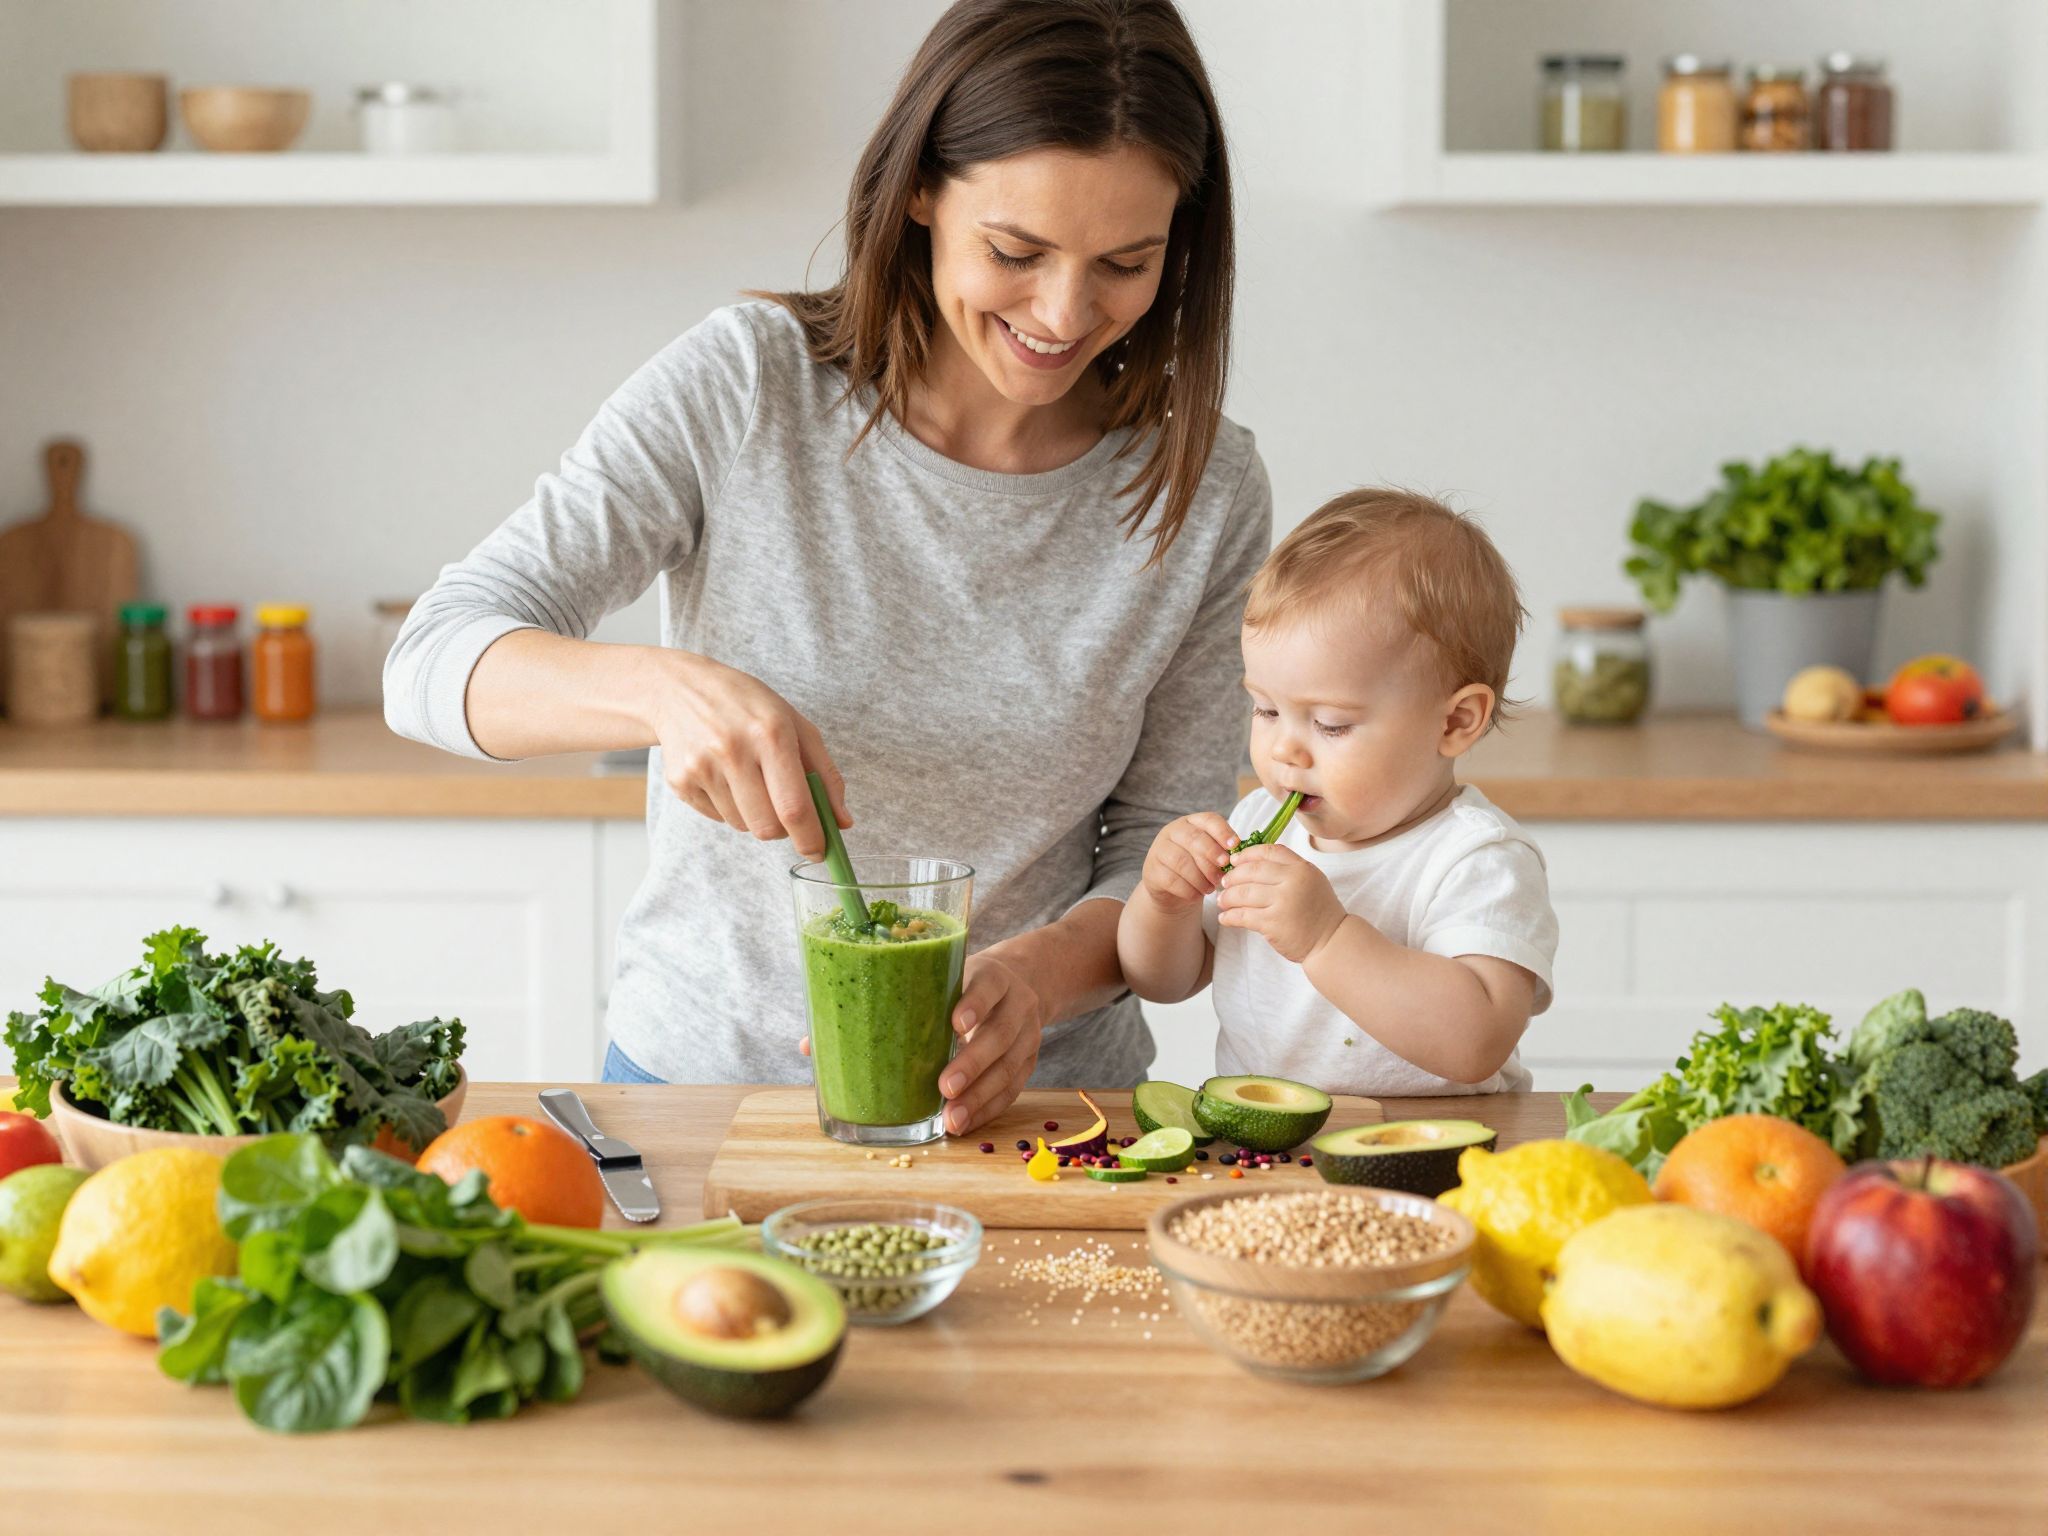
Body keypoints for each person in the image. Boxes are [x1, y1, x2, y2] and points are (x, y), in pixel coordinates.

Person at [383, 0, 1270, 1132]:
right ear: (917, 192)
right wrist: (661, 692)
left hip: (1038, 1116)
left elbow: (1161, 850)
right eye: (1014, 251)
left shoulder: (1202, 485)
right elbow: (429, 661)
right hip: (700, 1093)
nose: (1062, 312)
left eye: (1124, 263)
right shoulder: (750, 386)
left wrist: (1032, 982)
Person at [1116, 489, 1559, 1095]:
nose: (1285, 751)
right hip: (1270, 1151)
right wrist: (1163, 903)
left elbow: (1476, 1042)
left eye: (1330, 724)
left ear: (1454, 722)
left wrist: (1326, 937)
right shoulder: (1258, 820)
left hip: (1440, 1154)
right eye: (1266, 710)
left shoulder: (1477, 860)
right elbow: (1163, 982)